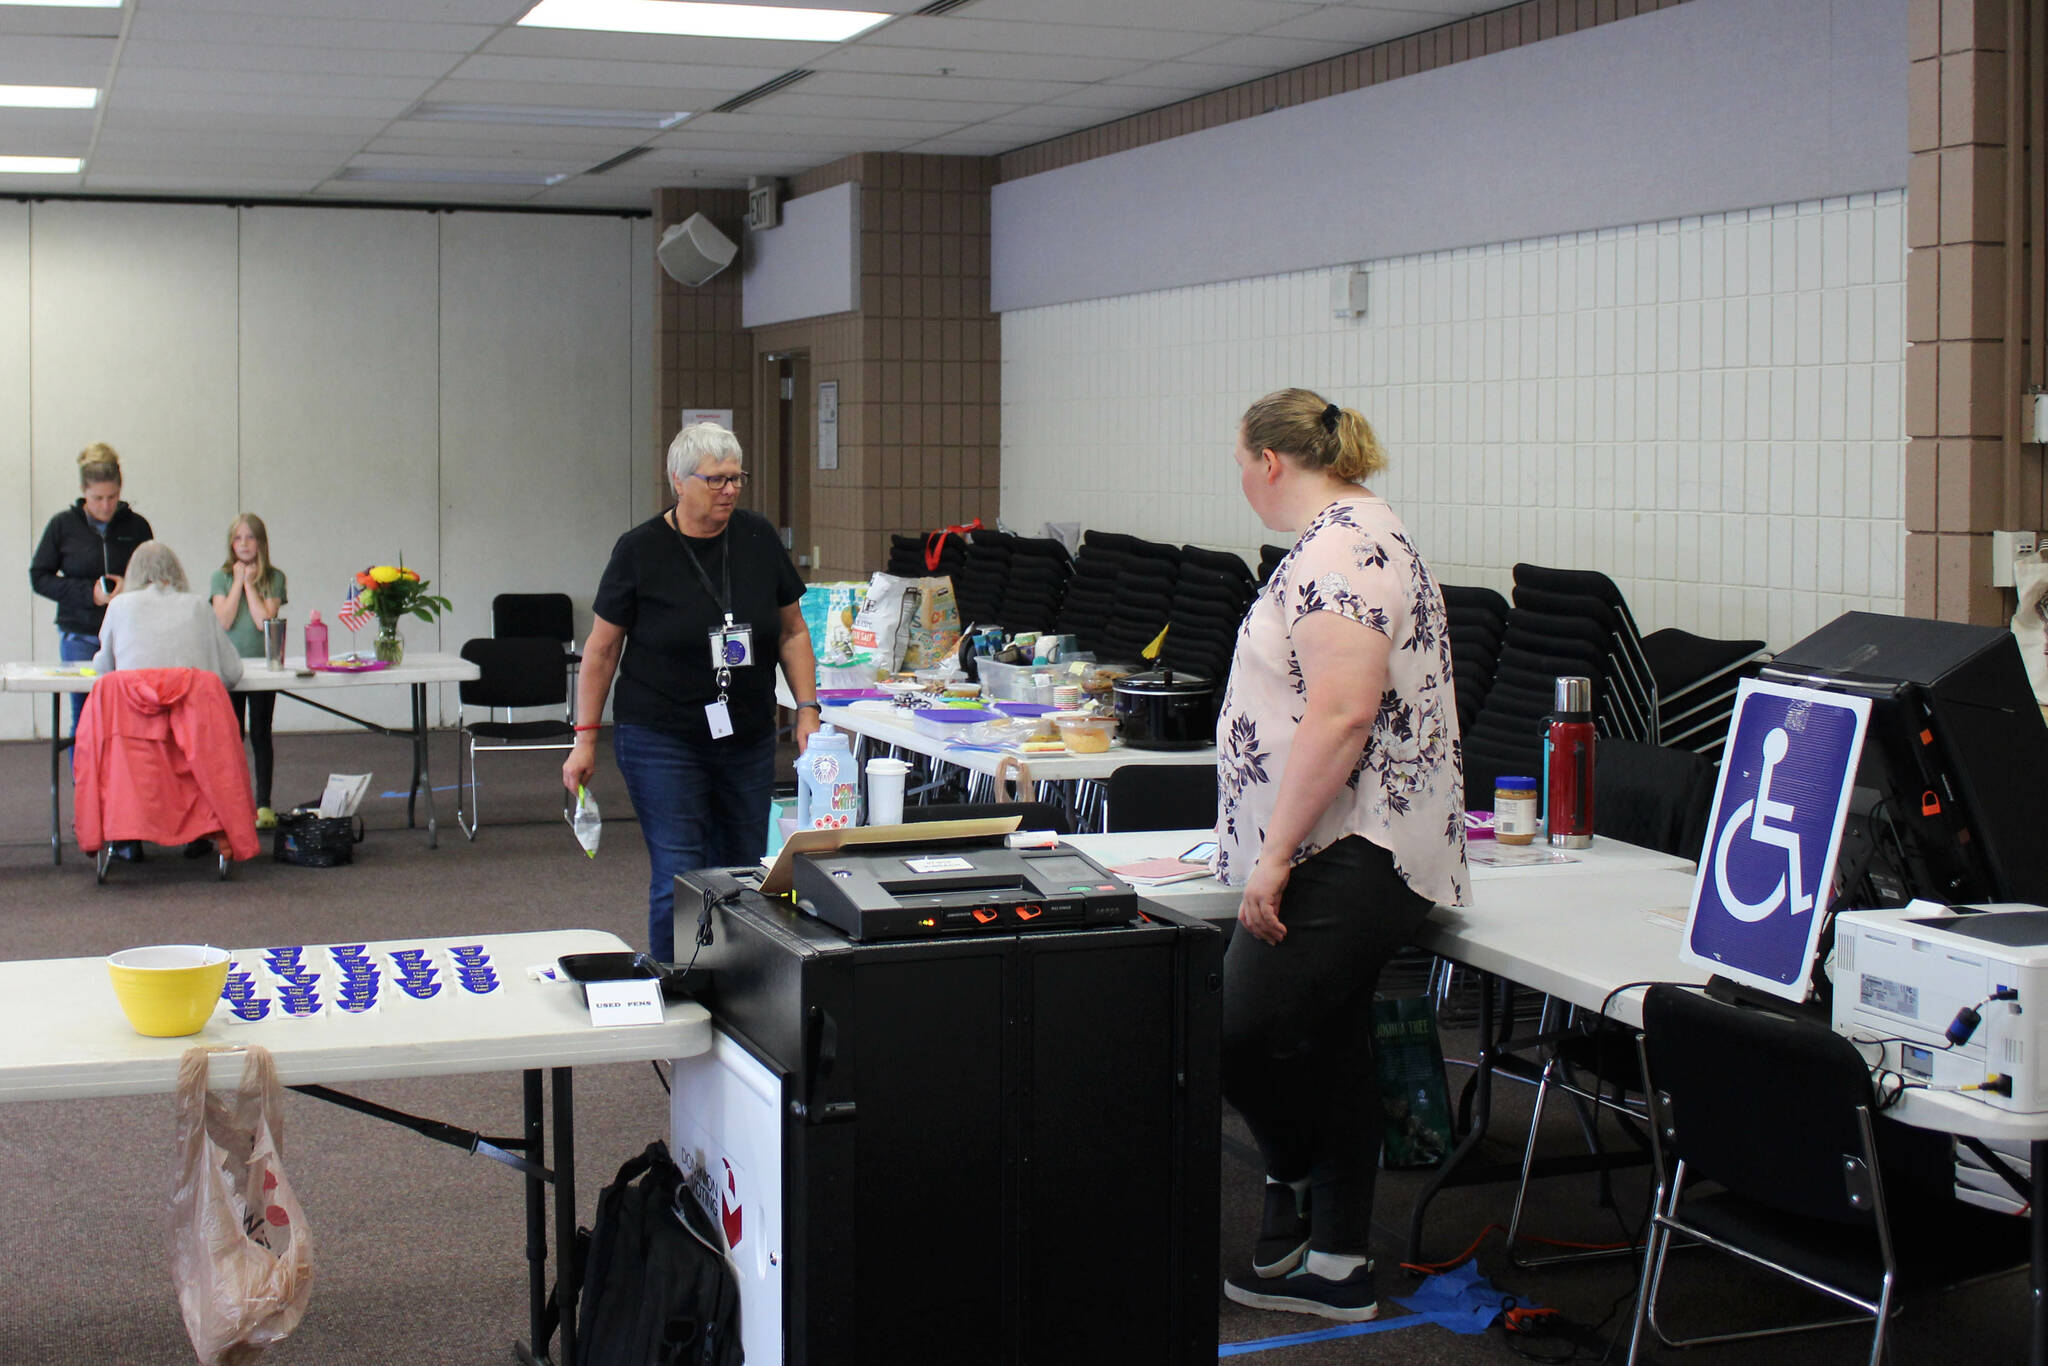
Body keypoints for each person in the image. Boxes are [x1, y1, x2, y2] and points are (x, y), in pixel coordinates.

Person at [1213, 388, 1469, 1324]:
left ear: (1270, 462)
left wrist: (1275, 854)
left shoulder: (1340, 549)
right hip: (1353, 841)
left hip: (1348, 847)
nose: (1239, 481)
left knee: (1238, 1030)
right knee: (1329, 1041)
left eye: (1240, 463)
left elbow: (1343, 710)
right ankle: (1336, 1262)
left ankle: (1291, 1180)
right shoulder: (1352, 536)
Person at [563, 422, 821, 962]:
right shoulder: (639, 550)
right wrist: (585, 737)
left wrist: (807, 708)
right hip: (661, 735)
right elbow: (602, 649)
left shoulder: (756, 537)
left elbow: (793, 631)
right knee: (681, 869)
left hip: (746, 734)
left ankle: (736, 987)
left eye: (736, 479)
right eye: (716, 480)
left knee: (743, 868)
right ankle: (673, 980)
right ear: (679, 482)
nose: (729, 490)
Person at [29, 443, 154, 730]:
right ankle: (83, 777)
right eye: (97, 498)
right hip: (80, 635)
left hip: (128, 636)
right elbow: (39, 576)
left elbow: (155, 579)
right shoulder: (62, 526)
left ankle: (121, 776)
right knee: (85, 716)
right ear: (83, 492)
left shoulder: (138, 527)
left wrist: (131, 587)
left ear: (121, 491)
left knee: (129, 715)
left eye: (112, 497)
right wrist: (90, 594)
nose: (105, 505)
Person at [211, 514, 287, 828]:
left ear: (260, 542)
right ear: (231, 543)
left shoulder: (274, 577)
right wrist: (237, 584)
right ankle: (232, 802)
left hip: (263, 667)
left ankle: (264, 804)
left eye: (250, 538)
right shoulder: (221, 577)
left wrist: (251, 586)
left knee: (260, 733)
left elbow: (263, 622)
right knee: (230, 736)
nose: (244, 544)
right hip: (229, 667)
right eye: (238, 538)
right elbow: (223, 620)